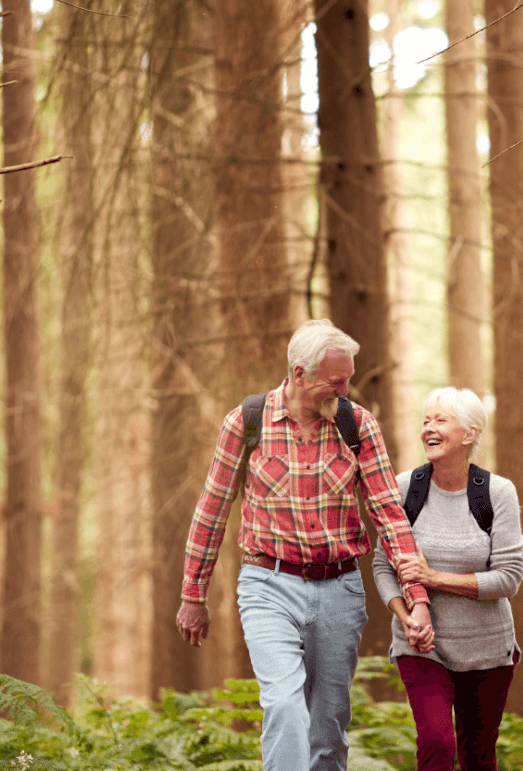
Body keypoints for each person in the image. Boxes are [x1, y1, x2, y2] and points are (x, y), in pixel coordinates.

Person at [175, 319, 434, 771]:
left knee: (328, 726)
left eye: (347, 378)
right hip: (268, 584)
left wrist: (417, 598)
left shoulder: (357, 425)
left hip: (340, 590)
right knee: (283, 705)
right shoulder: (247, 422)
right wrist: (192, 595)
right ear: (299, 374)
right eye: (334, 381)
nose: (344, 388)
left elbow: (390, 516)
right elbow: (212, 509)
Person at [372, 387, 523, 771]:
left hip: (488, 649)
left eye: (440, 420)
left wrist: (433, 577)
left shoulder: (497, 493)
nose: (428, 429)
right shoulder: (407, 488)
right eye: (425, 420)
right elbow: (382, 564)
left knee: (478, 758)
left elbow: (508, 578)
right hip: (423, 646)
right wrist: (405, 616)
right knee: (437, 744)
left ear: (470, 433)